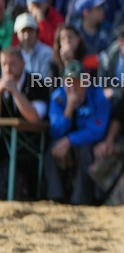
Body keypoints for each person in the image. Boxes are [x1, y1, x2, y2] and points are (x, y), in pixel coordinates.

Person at [45, 60, 111, 204]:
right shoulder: (58, 96)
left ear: (86, 82)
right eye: (69, 82)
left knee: (85, 150)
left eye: (77, 81)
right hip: (66, 144)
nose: (72, 86)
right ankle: (55, 197)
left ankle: (81, 200)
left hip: (89, 144)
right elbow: (55, 131)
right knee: (51, 148)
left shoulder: (98, 97)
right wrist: (69, 107)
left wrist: (69, 140)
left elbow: (96, 132)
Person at [0, 47, 49, 200]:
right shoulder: (1, 83)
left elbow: (34, 118)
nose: (8, 69)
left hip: (32, 144)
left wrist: (16, 92)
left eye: (12, 64)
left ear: (23, 63)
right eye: (4, 64)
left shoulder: (37, 82)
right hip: (6, 143)